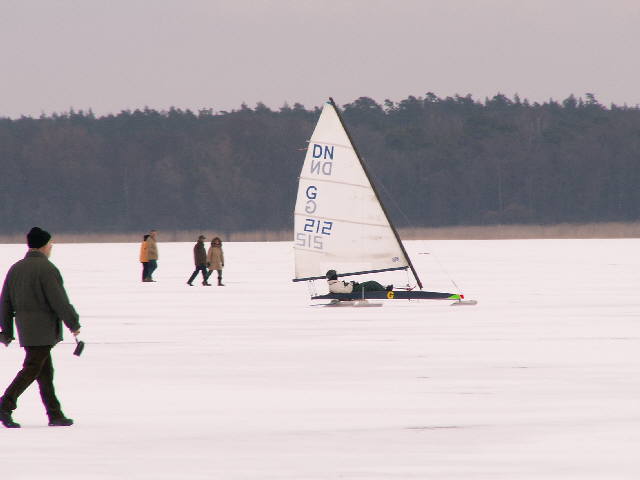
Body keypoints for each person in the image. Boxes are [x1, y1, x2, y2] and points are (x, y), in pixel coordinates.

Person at [0, 227, 81, 428]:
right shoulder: (47, 269)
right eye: (50, 243)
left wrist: (7, 331)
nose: (51, 247)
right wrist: (73, 323)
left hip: (26, 329)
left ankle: (55, 414)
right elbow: (59, 301)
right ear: (44, 246)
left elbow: (5, 302)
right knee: (32, 369)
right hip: (42, 330)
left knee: (44, 372)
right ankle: (5, 404)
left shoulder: (15, 268)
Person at [325, 269, 391, 294]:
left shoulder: (334, 283)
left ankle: (384, 288)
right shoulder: (333, 286)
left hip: (354, 288)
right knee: (372, 283)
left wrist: (352, 283)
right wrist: (351, 284)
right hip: (354, 291)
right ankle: (385, 291)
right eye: (335, 274)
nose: (337, 275)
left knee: (370, 283)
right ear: (333, 276)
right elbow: (347, 291)